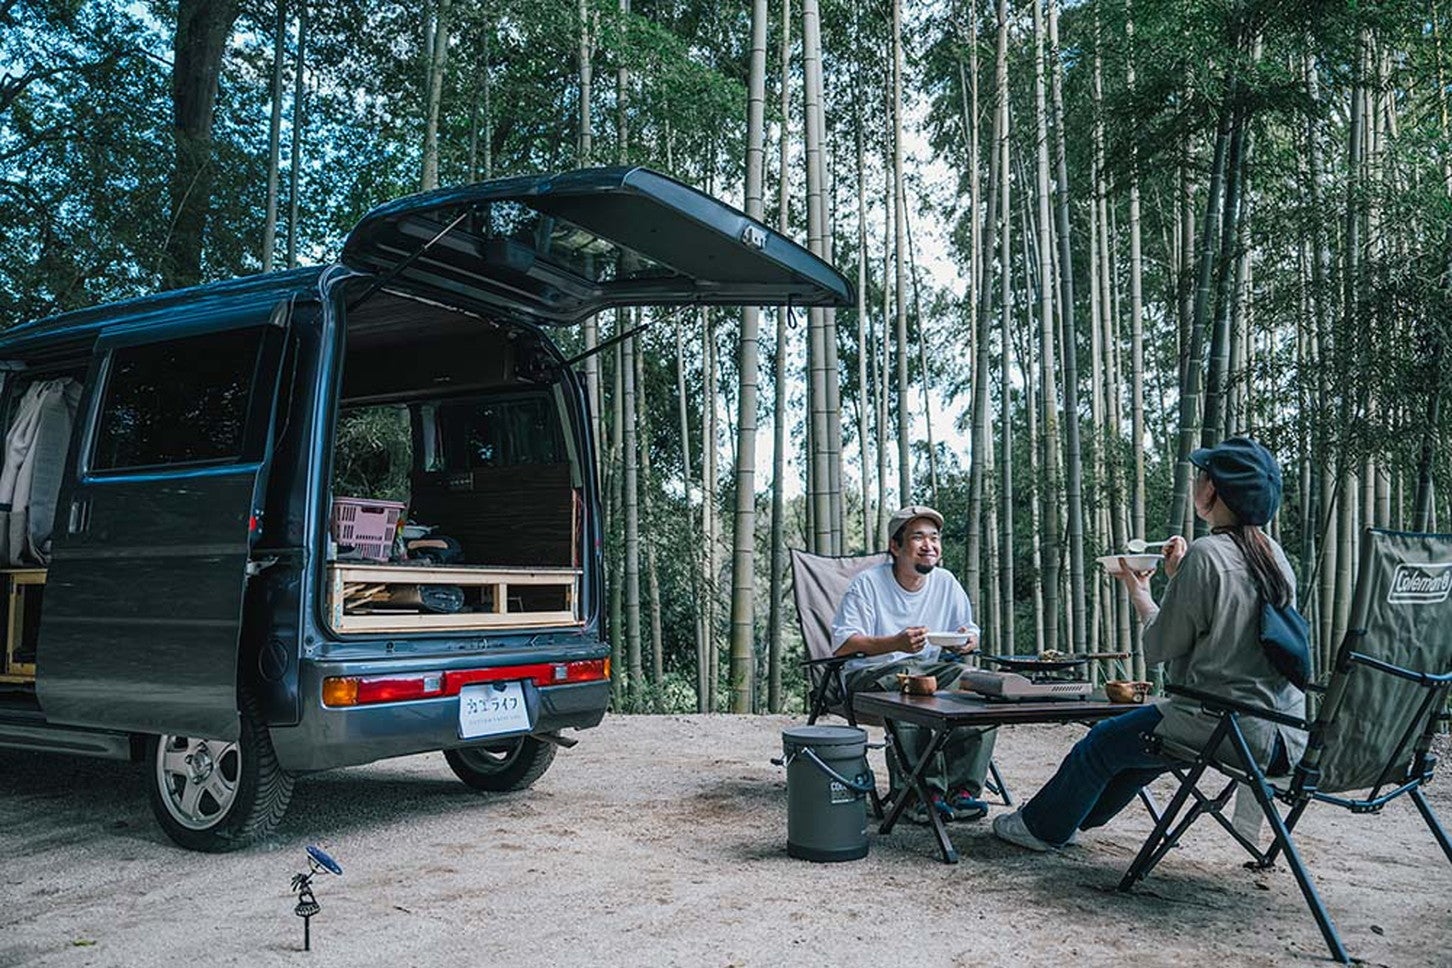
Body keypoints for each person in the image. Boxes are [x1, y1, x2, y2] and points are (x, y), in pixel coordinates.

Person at [993, 437, 1307, 851]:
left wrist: (1141, 593)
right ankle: (1072, 818)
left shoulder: (1207, 555)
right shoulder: (1274, 555)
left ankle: (1042, 829)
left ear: (1212, 489)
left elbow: (1161, 647)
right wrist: (1181, 579)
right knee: (1135, 745)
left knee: (1102, 743)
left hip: (1225, 725)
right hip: (1282, 728)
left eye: (1202, 475)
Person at [830, 505, 995, 822]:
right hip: (867, 678)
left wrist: (968, 639)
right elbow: (843, 646)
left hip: (926, 673)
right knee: (914, 688)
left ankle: (962, 791)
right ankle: (919, 794)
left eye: (934, 537)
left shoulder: (945, 583)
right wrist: (896, 642)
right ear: (895, 546)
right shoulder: (868, 585)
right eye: (918, 537)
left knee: (976, 684)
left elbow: (969, 629)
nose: (928, 545)